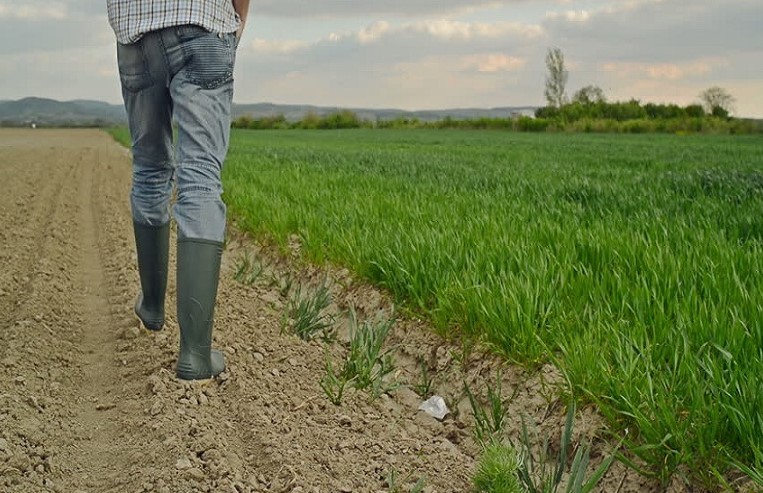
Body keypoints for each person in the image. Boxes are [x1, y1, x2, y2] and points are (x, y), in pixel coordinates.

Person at [107, 0, 251, 381]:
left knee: (150, 169)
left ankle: (152, 307)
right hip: (203, 26)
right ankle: (194, 355)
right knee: (200, 178)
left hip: (135, 34)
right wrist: (239, 20)